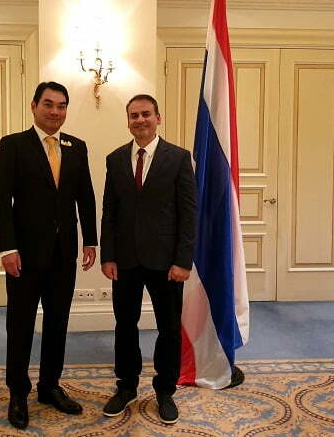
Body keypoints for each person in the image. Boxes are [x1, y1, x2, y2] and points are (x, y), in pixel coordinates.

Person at [0, 81, 98, 430]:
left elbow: (85, 196)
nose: (55, 112)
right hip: (23, 255)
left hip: (63, 253)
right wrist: (7, 248)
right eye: (49, 104)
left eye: (61, 106)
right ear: (34, 106)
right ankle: (18, 392)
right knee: (20, 324)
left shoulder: (76, 147)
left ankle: (50, 386)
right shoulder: (13, 145)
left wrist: (91, 240)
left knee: (57, 322)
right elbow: (0, 200)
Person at [100, 94, 197, 425]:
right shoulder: (115, 159)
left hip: (167, 263)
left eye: (145, 114)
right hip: (125, 260)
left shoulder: (179, 158)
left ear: (158, 117)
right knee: (125, 326)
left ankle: (165, 391)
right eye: (134, 115)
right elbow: (109, 210)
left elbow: (188, 213)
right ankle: (126, 386)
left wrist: (183, 260)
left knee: (168, 328)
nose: (140, 120)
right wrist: (108, 255)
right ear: (128, 121)